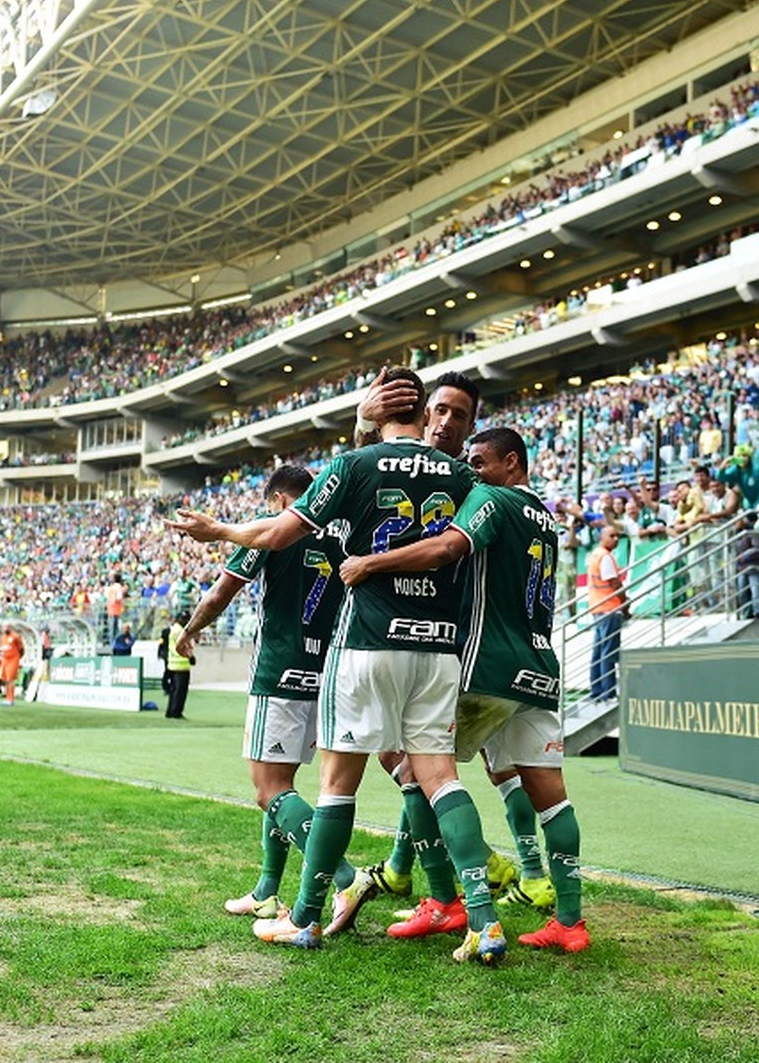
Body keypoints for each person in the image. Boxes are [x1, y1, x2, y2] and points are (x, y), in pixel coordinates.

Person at [168, 366, 506, 964]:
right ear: (426, 414)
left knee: (335, 783)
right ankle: (482, 919)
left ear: (378, 410)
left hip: (368, 642)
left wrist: (217, 529)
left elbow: (277, 534)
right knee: (439, 776)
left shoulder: (352, 467)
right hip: (439, 647)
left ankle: (304, 917)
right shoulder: (462, 474)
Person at [338, 427, 588, 952]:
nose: (470, 470)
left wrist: (369, 563)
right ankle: (570, 921)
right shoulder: (545, 516)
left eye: (479, 461)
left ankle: (449, 901)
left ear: (511, 463)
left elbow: (446, 549)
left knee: (413, 764)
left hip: (488, 664)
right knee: (552, 798)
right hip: (539, 666)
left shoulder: (491, 499)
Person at [173, 467, 355, 915]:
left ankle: (348, 878)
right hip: (325, 672)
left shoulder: (272, 530)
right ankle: (266, 891)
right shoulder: (339, 534)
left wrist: (189, 632)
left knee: (267, 790)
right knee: (284, 788)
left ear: (276, 500)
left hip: (279, 670)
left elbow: (220, 595)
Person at [586, 525, 627, 701]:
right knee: (608, 653)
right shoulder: (605, 557)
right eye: (612, 535)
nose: (616, 538)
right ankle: (608, 692)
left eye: (618, 536)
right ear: (602, 537)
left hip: (598, 608)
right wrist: (625, 603)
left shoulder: (595, 554)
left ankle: (597, 691)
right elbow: (614, 583)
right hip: (609, 608)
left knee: (598, 652)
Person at [165, 611, 194, 719]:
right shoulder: (179, 631)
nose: (186, 621)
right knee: (180, 692)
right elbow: (184, 646)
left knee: (174, 690)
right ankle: (176, 712)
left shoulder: (174, 629)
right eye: (185, 619)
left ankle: (170, 711)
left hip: (174, 664)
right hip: (181, 665)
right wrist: (191, 657)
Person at [0, 623, 26, 706]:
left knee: (10, 679)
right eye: (4, 627)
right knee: (6, 679)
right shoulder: (2, 638)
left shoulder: (15, 637)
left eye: (7, 627)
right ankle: (7, 698)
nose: (5, 629)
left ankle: (11, 699)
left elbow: (21, 649)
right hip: (5, 660)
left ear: (10, 628)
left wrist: (17, 658)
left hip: (13, 660)